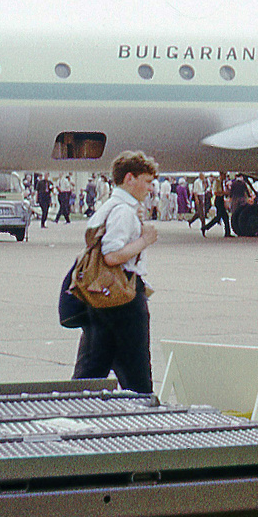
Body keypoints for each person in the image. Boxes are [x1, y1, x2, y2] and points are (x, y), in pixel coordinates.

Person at [72, 151, 161, 393]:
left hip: (99, 296)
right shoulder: (123, 211)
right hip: (123, 298)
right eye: (147, 181)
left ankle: (75, 416)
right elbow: (111, 256)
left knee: (90, 371)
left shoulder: (110, 206)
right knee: (137, 376)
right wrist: (144, 240)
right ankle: (144, 423)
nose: (150, 188)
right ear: (130, 178)